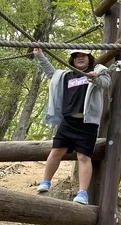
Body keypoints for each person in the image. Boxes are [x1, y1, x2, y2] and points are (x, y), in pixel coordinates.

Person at [33, 48, 111, 204]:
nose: (80, 58)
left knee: (83, 156)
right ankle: (46, 181)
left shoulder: (95, 73)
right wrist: (39, 55)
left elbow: (106, 82)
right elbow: (50, 73)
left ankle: (82, 193)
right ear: (72, 60)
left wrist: (94, 78)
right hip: (68, 121)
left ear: (89, 58)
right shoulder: (65, 76)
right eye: (77, 57)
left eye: (84, 56)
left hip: (87, 123)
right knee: (56, 151)